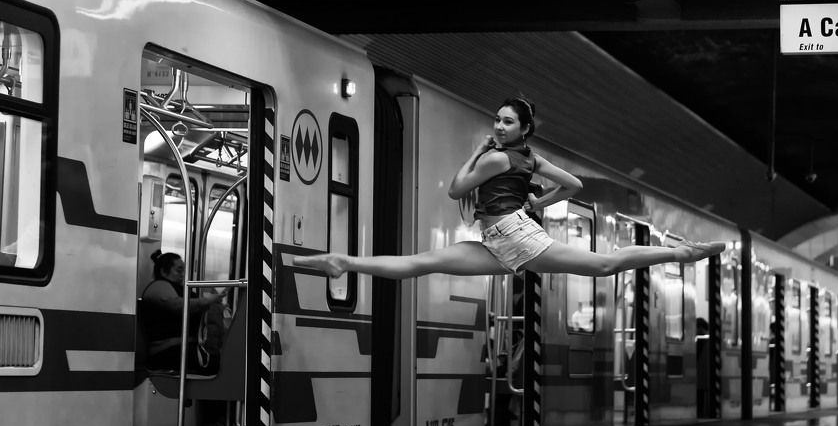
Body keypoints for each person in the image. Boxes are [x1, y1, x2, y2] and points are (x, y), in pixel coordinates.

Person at [293, 97, 726, 283]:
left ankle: (681, 253)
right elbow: (572, 185)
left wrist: (477, 150)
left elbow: (456, 189)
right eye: (496, 120)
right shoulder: (530, 158)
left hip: (515, 237)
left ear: (523, 128)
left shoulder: (498, 157)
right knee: (422, 264)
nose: (498, 127)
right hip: (499, 240)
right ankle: (343, 262)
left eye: (506, 122)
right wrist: (542, 201)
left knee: (604, 266)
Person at [139, 250, 225, 376]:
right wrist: (206, 301)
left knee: (226, 360)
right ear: (163, 271)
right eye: (179, 270)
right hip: (166, 352)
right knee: (221, 365)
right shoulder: (159, 286)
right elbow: (177, 305)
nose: (183, 274)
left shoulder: (180, 289)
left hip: (184, 348)